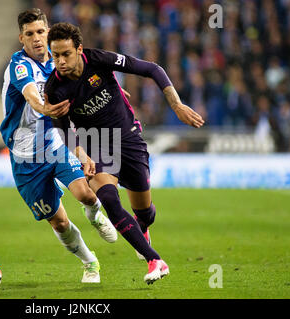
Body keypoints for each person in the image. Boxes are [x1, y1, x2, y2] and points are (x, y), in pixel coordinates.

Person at [44, 22, 205, 284]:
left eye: (66, 54)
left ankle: (143, 228)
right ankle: (155, 260)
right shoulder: (54, 88)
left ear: (79, 50)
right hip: (96, 144)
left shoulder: (99, 60)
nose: (60, 61)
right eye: (55, 55)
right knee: (108, 198)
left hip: (128, 138)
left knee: (144, 211)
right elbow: (62, 129)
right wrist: (81, 155)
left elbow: (153, 69)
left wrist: (176, 105)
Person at [0, 9, 117, 284]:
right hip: (25, 157)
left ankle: (95, 213)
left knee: (86, 193)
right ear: (21, 38)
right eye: (30, 34)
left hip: (54, 143)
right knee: (60, 223)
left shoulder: (58, 63)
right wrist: (45, 107)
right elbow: (31, 95)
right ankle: (90, 263)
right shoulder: (19, 66)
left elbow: (87, 81)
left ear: (48, 32)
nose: (37, 38)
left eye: (41, 32)